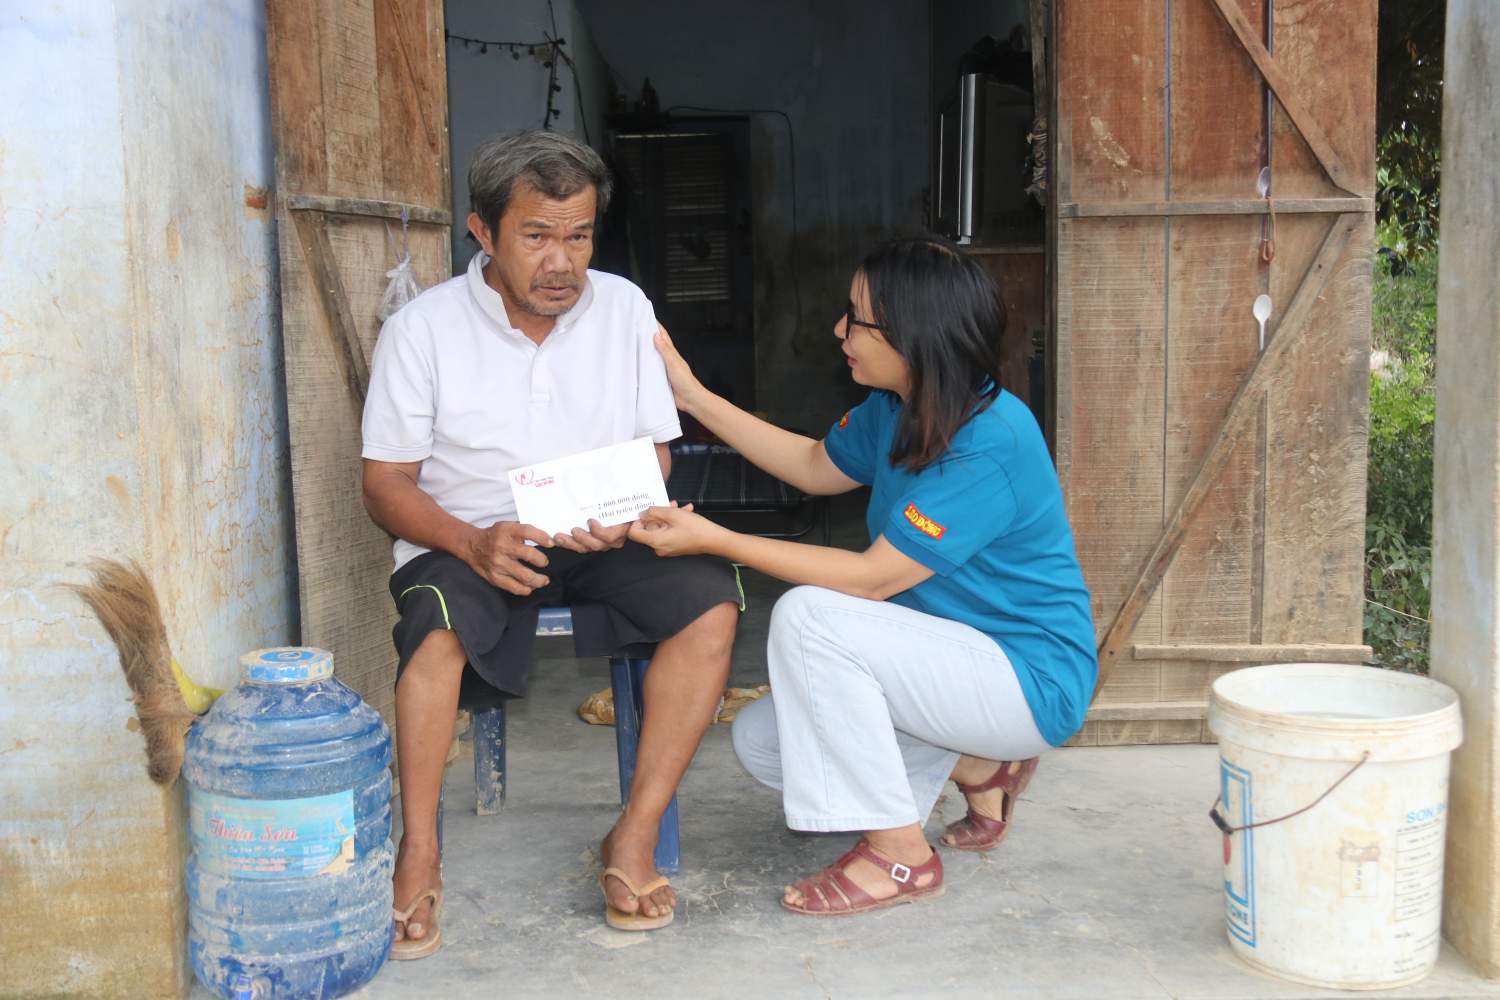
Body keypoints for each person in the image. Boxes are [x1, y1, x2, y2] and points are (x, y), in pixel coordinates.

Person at [629, 236, 1096, 916]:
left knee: (811, 616)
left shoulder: (991, 440)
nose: (838, 331)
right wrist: (693, 397)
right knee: (764, 744)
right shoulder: (898, 407)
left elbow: (872, 579)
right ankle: (979, 763)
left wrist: (719, 541)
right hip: (952, 663)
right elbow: (814, 466)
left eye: (857, 319)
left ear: (914, 335)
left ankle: (900, 857)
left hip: (1027, 679)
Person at [360, 130, 741, 953]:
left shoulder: (625, 309)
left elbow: (656, 450)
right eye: (536, 236)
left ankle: (632, 834)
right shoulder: (421, 331)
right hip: (470, 538)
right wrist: (471, 543)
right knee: (436, 625)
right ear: (483, 231)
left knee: (710, 601)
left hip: (603, 533)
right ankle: (418, 851)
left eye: (579, 236)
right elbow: (385, 483)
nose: (562, 262)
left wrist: (626, 510)